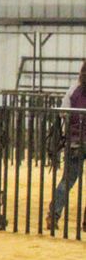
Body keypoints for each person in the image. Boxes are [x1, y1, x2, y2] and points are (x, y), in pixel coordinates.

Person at [45, 61, 86, 232]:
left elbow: (63, 112)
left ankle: (53, 214)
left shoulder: (74, 89)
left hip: (75, 141)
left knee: (67, 180)